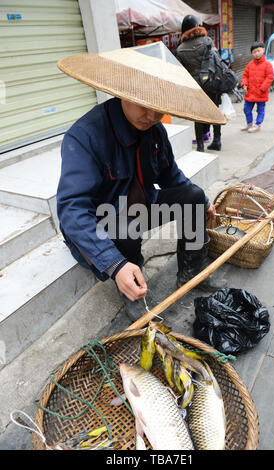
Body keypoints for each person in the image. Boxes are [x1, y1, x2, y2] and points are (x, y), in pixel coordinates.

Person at [56, 42, 225, 322]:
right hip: (103, 222)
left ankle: (191, 271)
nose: (152, 117)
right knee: (122, 226)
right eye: (145, 107)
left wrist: (203, 202)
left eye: (159, 110)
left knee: (193, 195)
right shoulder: (85, 137)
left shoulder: (155, 130)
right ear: (124, 92)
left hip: (141, 205)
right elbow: (72, 211)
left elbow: (171, 175)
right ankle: (133, 290)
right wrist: (115, 264)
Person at [175, 15, 222, 151]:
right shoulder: (207, 41)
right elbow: (216, 60)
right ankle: (217, 141)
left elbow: (181, 71)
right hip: (212, 83)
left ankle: (200, 145)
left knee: (198, 115)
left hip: (196, 87)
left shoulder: (180, 49)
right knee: (214, 112)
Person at [241, 41, 274, 133]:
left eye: (258, 51)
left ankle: (258, 125)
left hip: (261, 93)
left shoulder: (267, 65)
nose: (256, 53)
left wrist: (262, 88)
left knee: (260, 110)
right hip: (250, 92)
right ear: (252, 53)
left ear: (263, 50)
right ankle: (249, 124)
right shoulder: (249, 64)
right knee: (246, 109)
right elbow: (245, 76)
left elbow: (270, 77)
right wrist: (244, 85)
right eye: (254, 52)